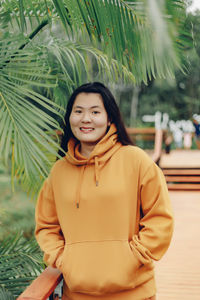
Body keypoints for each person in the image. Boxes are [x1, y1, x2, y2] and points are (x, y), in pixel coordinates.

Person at [35, 82, 174, 300]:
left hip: (134, 294)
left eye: (95, 112)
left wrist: (133, 257)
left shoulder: (136, 160)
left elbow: (160, 219)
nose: (86, 119)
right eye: (78, 111)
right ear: (70, 118)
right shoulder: (59, 172)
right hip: (77, 294)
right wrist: (63, 259)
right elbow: (46, 226)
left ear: (109, 118)